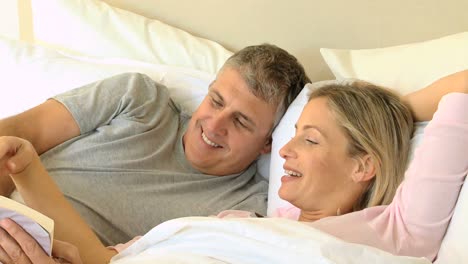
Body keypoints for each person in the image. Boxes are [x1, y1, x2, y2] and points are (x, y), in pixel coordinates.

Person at [0, 70, 466, 263]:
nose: (286, 151)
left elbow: (460, 92)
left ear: (363, 164)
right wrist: (26, 170)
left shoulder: (396, 229)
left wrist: (378, 115)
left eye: (309, 138)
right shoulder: (244, 222)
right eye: (293, 135)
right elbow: (105, 261)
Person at [0, 44, 310, 245]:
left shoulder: (243, 210)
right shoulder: (138, 99)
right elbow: (26, 132)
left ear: (267, 143)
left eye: (241, 122)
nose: (215, 125)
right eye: (215, 101)